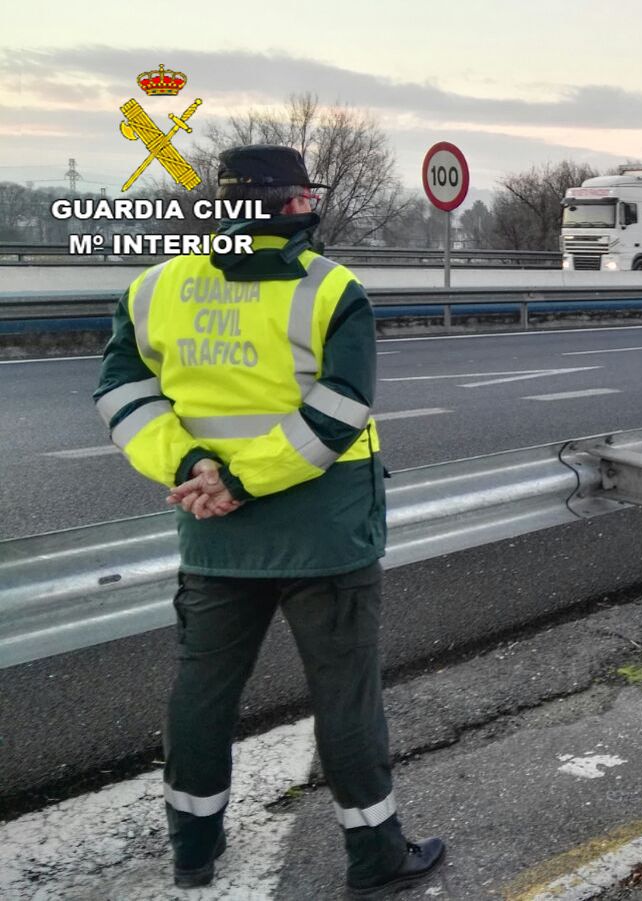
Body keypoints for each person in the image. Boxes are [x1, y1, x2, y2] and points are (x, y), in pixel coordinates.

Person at [93, 145, 445, 895]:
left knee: (202, 691)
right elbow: (343, 407)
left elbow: (122, 391)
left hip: (213, 530)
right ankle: (375, 856)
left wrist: (194, 471)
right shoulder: (329, 288)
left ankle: (192, 851)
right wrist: (246, 480)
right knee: (344, 693)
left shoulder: (157, 287)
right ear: (293, 205)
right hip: (325, 532)